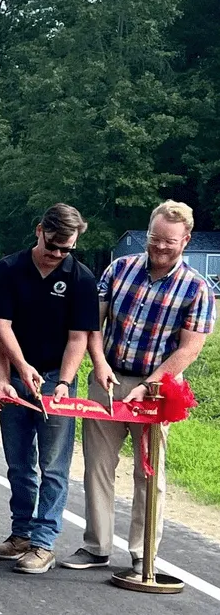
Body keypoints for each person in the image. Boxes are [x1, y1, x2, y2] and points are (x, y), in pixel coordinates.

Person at [62, 201, 215, 572]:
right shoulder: (119, 270)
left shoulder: (197, 288)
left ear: (186, 240)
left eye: (170, 241)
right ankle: (96, 546)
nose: (161, 247)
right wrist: (97, 363)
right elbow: (92, 324)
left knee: (149, 472)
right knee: (97, 465)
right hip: (108, 378)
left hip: (157, 389)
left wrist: (149, 386)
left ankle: (142, 553)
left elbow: (190, 347)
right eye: (155, 238)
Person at [0, 204, 99, 574]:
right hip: (16, 376)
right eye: (52, 246)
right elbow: (1, 326)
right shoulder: (8, 269)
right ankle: (20, 532)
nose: (57, 255)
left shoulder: (81, 279)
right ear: (39, 231)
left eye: (66, 249)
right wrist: (19, 368)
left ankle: (43, 541)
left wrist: (64, 383)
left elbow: (78, 338)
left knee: (53, 464)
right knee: (19, 462)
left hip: (57, 378)